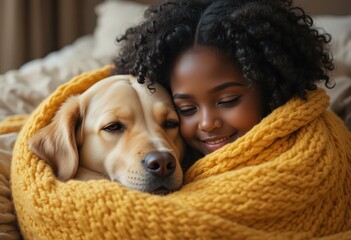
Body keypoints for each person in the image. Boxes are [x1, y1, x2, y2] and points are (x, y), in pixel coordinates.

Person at [113, 0, 335, 157]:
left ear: (270, 86)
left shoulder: (317, 149)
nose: (207, 123)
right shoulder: (168, 155)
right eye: (187, 109)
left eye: (227, 100)